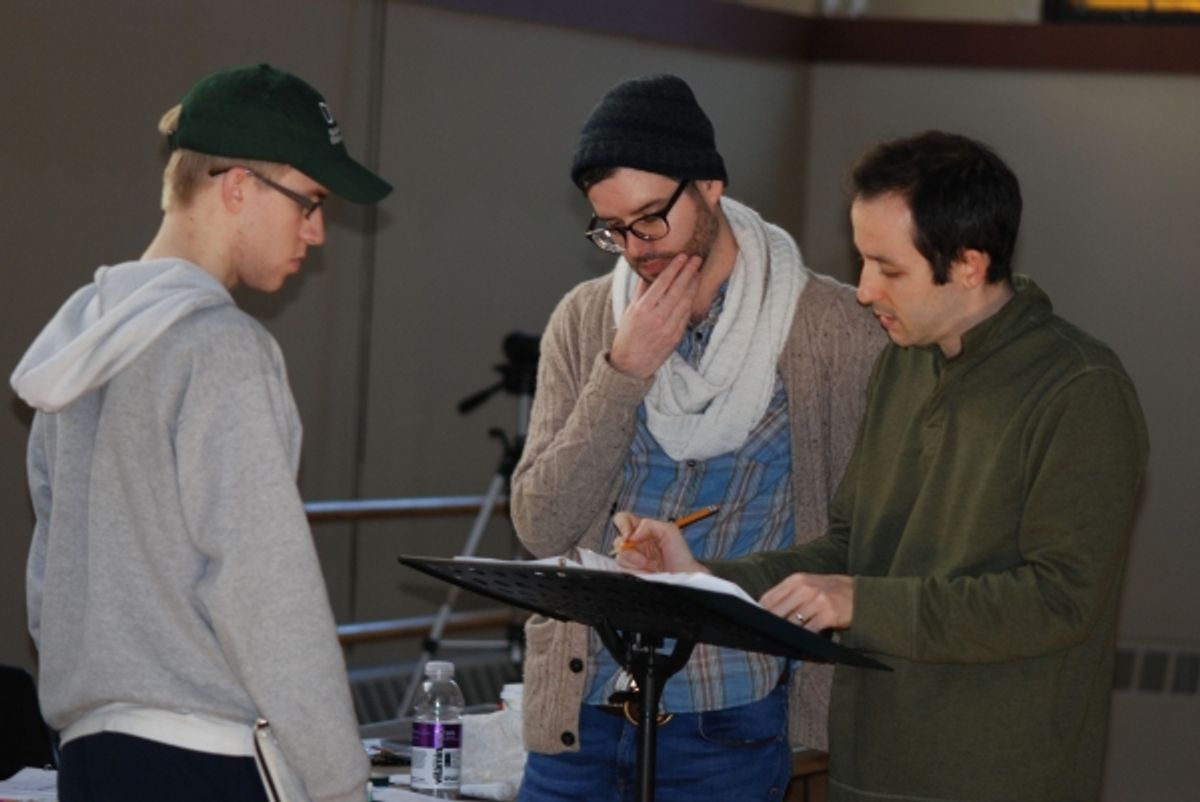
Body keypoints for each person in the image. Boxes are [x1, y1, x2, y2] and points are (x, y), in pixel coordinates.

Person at [616, 130, 1150, 802]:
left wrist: (861, 602)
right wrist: (703, 577)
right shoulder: (902, 366)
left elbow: (1060, 599)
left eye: (888, 269)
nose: (865, 291)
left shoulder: (1079, 387)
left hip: (1001, 778)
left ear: (969, 264)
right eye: (862, 262)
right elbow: (850, 547)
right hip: (869, 767)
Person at [10, 63, 392, 802]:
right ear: (239, 186)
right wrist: (342, 783)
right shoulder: (222, 348)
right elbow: (265, 593)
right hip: (207, 761)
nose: (317, 232)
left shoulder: (75, 349)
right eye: (310, 201)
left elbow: (46, 586)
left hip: (91, 759)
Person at [510, 73, 884, 801]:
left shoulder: (833, 330)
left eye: (651, 219)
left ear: (710, 186)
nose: (634, 247)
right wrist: (623, 372)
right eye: (612, 229)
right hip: (580, 710)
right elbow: (540, 525)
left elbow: (863, 536)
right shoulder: (587, 321)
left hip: (728, 716)